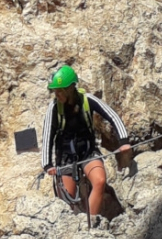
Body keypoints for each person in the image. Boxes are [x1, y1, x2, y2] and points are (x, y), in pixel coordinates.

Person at [41, 65, 132, 218]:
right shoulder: (54, 108)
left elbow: (113, 117)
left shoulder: (87, 100)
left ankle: (91, 224)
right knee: (67, 199)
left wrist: (124, 141)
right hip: (65, 158)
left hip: (88, 153)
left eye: (60, 90)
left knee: (100, 181)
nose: (57, 94)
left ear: (71, 88)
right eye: (55, 90)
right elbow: (47, 135)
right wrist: (47, 165)